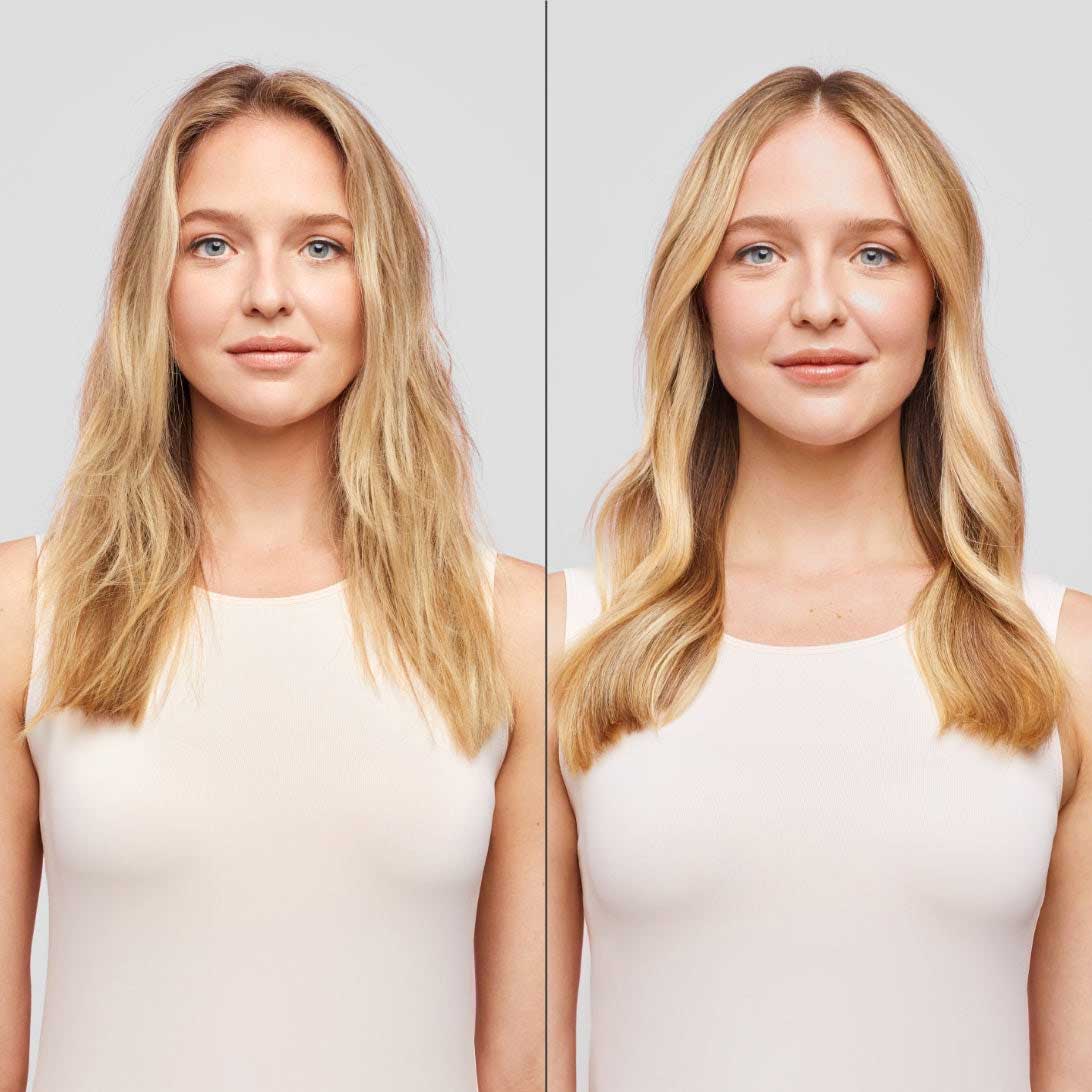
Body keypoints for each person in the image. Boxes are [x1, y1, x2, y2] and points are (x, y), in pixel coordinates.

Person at [0, 63, 544, 1091]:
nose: (265, 293)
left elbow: (519, 1060)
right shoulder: (26, 614)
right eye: (213, 244)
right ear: (151, 285)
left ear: (380, 280)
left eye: (320, 246)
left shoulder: (514, 625)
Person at [547, 66, 1092, 1091]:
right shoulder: (567, 641)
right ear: (700, 304)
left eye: (874, 254)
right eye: (759, 253)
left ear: (938, 308)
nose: (817, 306)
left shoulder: (1065, 659)